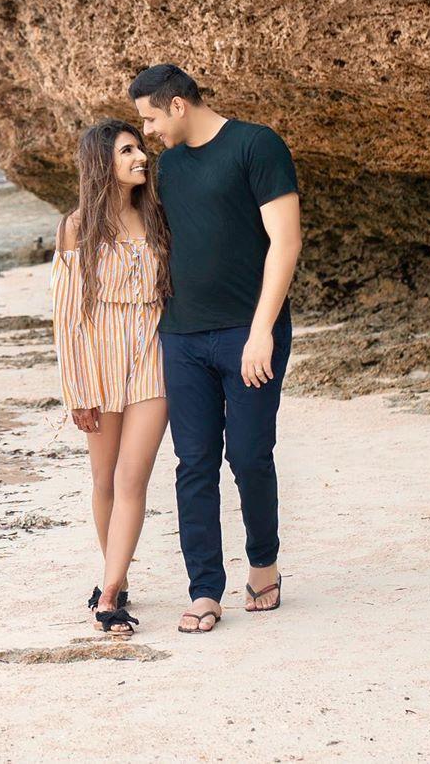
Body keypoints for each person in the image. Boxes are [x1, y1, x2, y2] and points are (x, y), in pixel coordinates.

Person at [129, 64, 302, 634]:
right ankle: (204, 590)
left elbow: (286, 240)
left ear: (178, 105)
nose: (149, 132)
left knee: (250, 456)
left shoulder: (256, 145)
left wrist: (260, 331)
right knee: (194, 464)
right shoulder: (171, 167)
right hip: (182, 337)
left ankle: (264, 564)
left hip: (249, 334)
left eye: (151, 118)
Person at [50, 118, 172, 637]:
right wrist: (77, 389)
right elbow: (67, 315)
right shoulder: (76, 227)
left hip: (152, 355)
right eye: (126, 150)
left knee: (131, 478)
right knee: (103, 480)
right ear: (103, 162)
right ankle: (114, 580)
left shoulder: (159, 219)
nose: (140, 156)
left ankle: (108, 596)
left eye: (140, 148)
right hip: (97, 360)